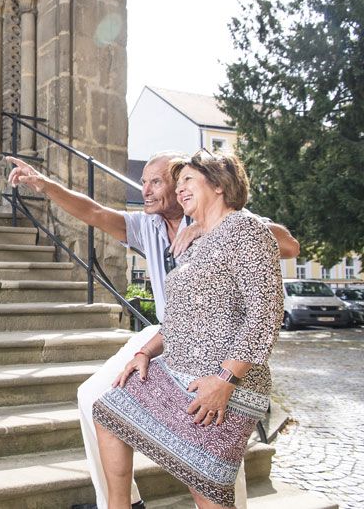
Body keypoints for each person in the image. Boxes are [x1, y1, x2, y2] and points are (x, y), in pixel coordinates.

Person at [6, 152, 299, 509]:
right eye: (144, 182)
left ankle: (221, 491)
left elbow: (282, 259)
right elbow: (95, 213)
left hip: (221, 355)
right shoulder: (148, 226)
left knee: (209, 466)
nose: (145, 190)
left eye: (157, 182)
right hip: (172, 332)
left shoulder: (233, 223)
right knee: (101, 403)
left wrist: (207, 226)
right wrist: (45, 185)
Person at [92, 150, 283, 509]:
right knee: (109, 413)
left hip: (225, 382)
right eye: (177, 184)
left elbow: (265, 316)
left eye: (188, 181)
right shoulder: (197, 243)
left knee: (205, 483)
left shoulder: (247, 232)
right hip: (178, 370)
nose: (179, 190)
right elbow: (180, 319)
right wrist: (145, 352)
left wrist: (225, 381)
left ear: (219, 184)